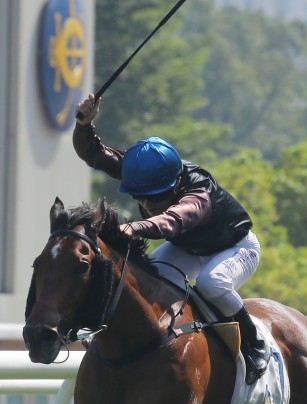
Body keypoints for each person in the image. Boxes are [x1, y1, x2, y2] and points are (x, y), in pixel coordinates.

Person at [72, 94, 269, 382]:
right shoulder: (142, 171)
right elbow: (93, 154)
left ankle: (254, 342)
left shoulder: (199, 194)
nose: (148, 204)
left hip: (237, 247)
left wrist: (135, 227)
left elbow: (172, 221)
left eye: (155, 197)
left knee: (211, 283)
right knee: (147, 279)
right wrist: (84, 125)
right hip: (189, 248)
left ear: (176, 182)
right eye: (140, 196)